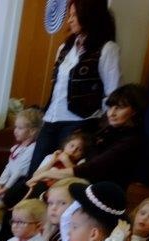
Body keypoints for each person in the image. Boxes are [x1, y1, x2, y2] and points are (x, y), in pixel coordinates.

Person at [28, 0, 121, 177]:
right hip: (51, 118)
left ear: (89, 16)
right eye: (69, 15)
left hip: (79, 121)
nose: (69, 20)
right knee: (35, 172)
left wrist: (102, 126)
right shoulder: (65, 47)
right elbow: (57, 86)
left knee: (60, 175)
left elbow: (113, 93)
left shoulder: (107, 49)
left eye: (74, 15)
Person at [26, 85, 149, 191]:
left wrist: (48, 174)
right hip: (85, 183)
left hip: (101, 192)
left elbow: (92, 168)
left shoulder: (131, 140)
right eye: (110, 107)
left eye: (119, 108)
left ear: (135, 111)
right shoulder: (106, 130)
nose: (112, 113)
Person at [0, 109, 42, 231]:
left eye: (20, 128)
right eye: (15, 127)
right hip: (7, 185)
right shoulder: (16, 148)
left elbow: (18, 172)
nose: (15, 131)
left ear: (32, 131)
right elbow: (8, 168)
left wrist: (5, 188)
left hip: (17, 187)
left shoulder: (31, 149)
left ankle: (4, 227)